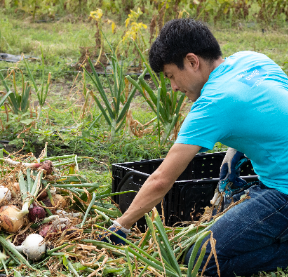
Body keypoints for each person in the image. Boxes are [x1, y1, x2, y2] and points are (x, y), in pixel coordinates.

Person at [101, 18, 288, 276]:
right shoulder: (250, 59)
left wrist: (120, 226)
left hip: (284, 191)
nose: (174, 87)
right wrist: (235, 149)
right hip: (278, 178)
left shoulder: (213, 102)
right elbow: (272, 108)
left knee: (201, 258)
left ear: (192, 61)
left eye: (171, 76)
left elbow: (161, 180)